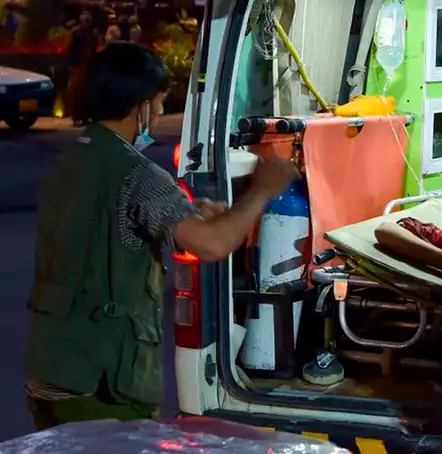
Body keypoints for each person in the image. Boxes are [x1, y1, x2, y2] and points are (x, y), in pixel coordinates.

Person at [24, 43, 299, 430]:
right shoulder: (137, 174)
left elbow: (101, 233)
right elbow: (213, 244)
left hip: (49, 371)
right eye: (156, 104)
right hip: (99, 385)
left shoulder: (72, 161)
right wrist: (263, 189)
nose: (155, 115)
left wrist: (190, 214)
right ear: (141, 107)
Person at [66, 9, 97, 126]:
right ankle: (76, 117)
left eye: (88, 20)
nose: (87, 22)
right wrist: (72, 65)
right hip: (78, 66)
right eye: (86, 20)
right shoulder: (75, 33)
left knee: (86, 92)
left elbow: (93, 49)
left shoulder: (91, 34)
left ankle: (85, 116)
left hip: (87, 66)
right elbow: (69, 49)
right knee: (75, 92)